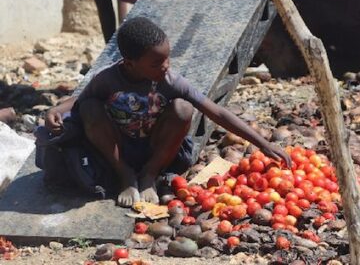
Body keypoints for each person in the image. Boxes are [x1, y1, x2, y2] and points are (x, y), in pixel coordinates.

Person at [45, 17, 291, 207]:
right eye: (156, 63)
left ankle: (149, 175)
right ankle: (126, 177)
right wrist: (56, 109)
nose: (165, 67)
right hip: (117, 150)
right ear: (129, 63)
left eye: (167, 59)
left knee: (183, 108)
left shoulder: (170, 81)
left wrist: (263, 144)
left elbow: (216, 112)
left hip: (157, 150)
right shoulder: (107, 79)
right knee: (90, 109)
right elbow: (81, 101)